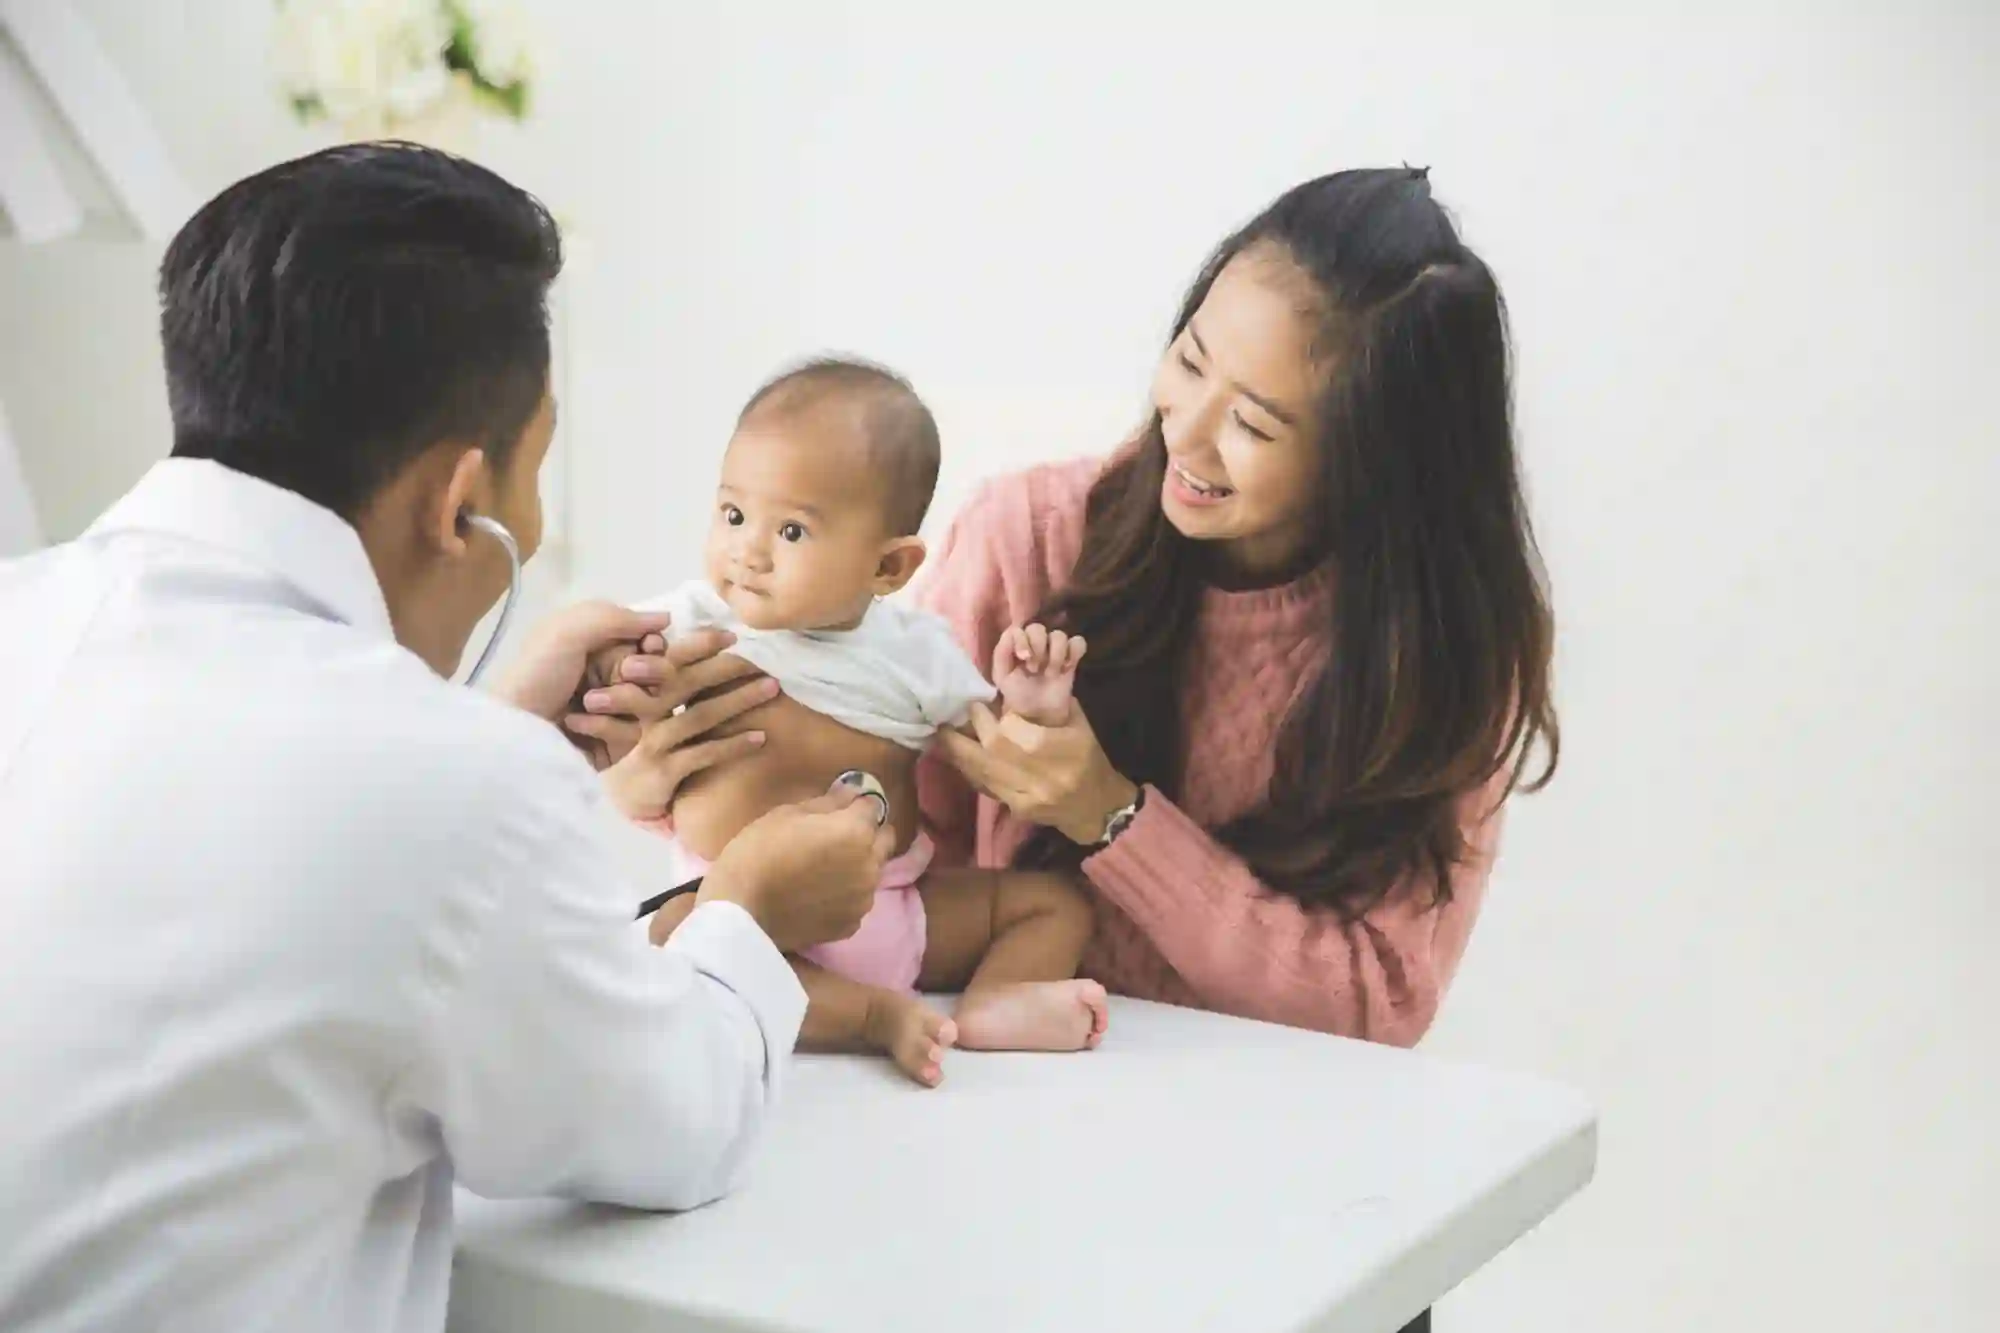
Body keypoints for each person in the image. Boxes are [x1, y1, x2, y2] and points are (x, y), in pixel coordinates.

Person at [0, 143, 890, 1333]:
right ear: (460, 501)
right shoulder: (454, 791)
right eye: (537, 468)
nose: (531, 517)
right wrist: (749, 904)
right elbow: (683, 1121)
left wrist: (488, 737)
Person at [909, 168, 1562, 1333]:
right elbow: (874, 872)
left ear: (1375, 461)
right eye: (1191, 359)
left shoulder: (1442, 655)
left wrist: (1111, 815)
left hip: (1302, 1217)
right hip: (1009, 1184)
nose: (1188, 433)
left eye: (1256, 421)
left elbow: (1374, 1003)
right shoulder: (1028, 538)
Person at [613, 357, 1109, 1088]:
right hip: (747, 912)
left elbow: (999, 751)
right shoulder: (694, 621)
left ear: (890, 567)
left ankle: (1000, 998)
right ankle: (874, 1015)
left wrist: (1033, 706)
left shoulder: (916, 652)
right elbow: (614, 683)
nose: (747, 550)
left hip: (895, 907)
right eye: (733, 514)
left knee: (1054, 902)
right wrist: (628, 696)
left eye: (790, 530)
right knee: (675, 932)